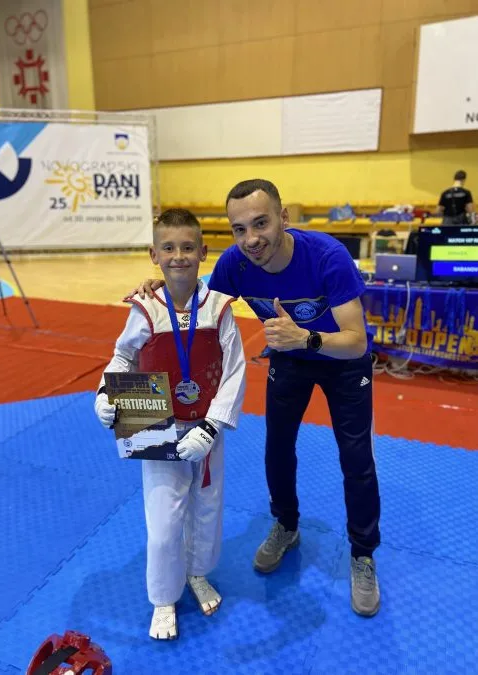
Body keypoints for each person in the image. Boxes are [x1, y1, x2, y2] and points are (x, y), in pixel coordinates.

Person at [133, 180, 382, 618]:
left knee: (356, 456)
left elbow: (357, 341)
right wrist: (163, 285)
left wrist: (306, 338)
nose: (251, 239)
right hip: (289, 357)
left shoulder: (327, 256)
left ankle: (363, 553)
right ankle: (286, 524)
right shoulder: (236, 264)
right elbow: (199, 300)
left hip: (341, 360)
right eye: (239, 229)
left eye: (261, 223)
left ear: (284, 218)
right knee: (277, 447)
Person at [95, 208, 246, 639]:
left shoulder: (219, 308)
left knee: (207, 509)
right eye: (168, 248)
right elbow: (123, 356)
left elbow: (235, 370)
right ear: (154, 255)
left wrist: (212, 427)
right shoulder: (145, 308)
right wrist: (104, 394)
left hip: (206, 429)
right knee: (163, 521)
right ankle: (163, 597)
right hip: (154, 422)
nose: (178, 256)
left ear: (203, 251)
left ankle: (197, 572)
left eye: (187, 247)